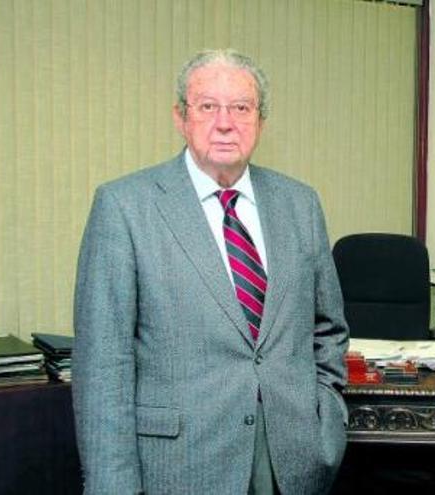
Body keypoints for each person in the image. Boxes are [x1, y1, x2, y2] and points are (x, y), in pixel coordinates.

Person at [73, 49, 349, 495]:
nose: (226, 122)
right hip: (179, 467)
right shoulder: (124, 207)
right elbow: (104, 367)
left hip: (293, 464)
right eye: (208, 107)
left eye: (241, 107)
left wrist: (326, 419)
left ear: (260, 121)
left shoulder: (300, 204)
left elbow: (328, 329)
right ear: (181, 117)